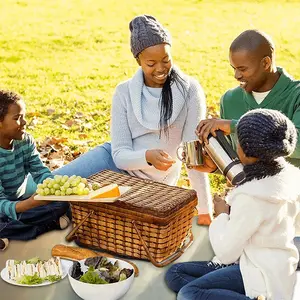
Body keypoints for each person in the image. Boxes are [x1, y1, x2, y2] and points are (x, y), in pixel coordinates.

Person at [51, 15, 213, 224]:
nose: (161, 68)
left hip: (148, 185)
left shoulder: (190, 90)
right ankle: (11, 214)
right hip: (112, 163)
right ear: (138, 61)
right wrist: (146, 156)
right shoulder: (125, 92)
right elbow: (119, 155)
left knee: (76, 208)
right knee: (49, 188)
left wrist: (204, 210)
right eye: (151, 63)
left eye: (166, 59)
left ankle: (58, 217)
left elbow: (193, 156)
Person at [165, 108, 300, 300]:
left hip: (260, 275)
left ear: (246, 151)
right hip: (274, 266)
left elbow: (226, 252)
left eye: (238, 141)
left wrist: (222, 215)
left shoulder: (251, 197)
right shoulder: (291, 177)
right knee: (175, 273)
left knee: (189, 293)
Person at [194, 29, 300, 258]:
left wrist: (235, 125)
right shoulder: (230, 99)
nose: (236, 76)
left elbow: (297, 143)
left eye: (242, 69)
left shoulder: (296, 95)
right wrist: (216, 166)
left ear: (266, 62)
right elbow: (241, 161)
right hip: (247, 208)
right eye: (234, 68)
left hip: (288, 210)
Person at [0, 90, 70, 249]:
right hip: (6, 206)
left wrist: (55, 190)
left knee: (63, 204)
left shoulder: (25, 141)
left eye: (23, 116)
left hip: (19, 202)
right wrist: (30, 204)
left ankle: (10, 231)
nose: (24, 122)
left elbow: (40, 171)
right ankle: (45, 226)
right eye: (17, 118)